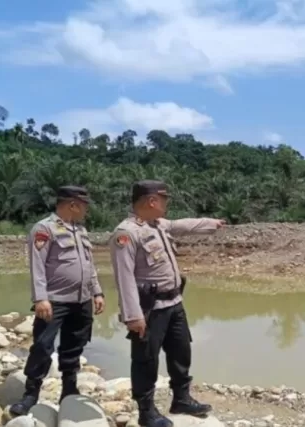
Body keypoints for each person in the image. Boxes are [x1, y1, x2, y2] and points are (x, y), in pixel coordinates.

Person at [110, 180, 225, 427]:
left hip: (174, 303)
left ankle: (181, 398)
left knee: (181, 351)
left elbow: (183, 225)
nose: (167, 203)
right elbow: (124, 276)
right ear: (152, 201)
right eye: (164, 199)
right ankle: (146, 411)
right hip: (149, 310)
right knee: (146, 360)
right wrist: (133, 315)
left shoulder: (158, 225)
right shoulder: (126, 233)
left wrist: (211, 223)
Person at [10, 186, 106, 416]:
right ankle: (31, 393)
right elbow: (37, 266)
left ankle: (69, 388)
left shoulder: (80, 230)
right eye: (84, 206)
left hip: (81, 300)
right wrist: (41, 298)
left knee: (74, 345)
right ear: (73, 204)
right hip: (55, 300)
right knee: (43, 345)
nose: (86, 211)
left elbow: (88, 266)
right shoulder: (45, 228)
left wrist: (97, 292)